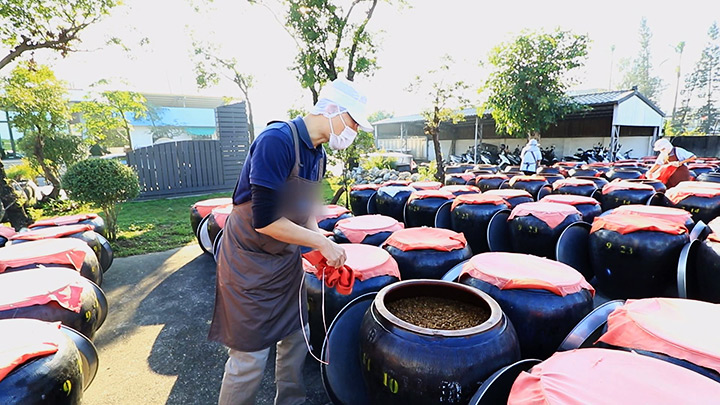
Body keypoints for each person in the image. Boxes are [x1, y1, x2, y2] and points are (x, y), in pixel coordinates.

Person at [209, 78, 373, 405]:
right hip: (248, 263)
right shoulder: (276, 141)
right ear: (330, 109)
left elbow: (304, 211)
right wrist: (319, 242)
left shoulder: (318, 154)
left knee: (298, 338)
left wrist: (319, 245)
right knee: (249, 359)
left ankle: (291, 401)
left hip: (285, 262)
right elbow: (266, 220)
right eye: (352, 120)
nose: (353, 130)